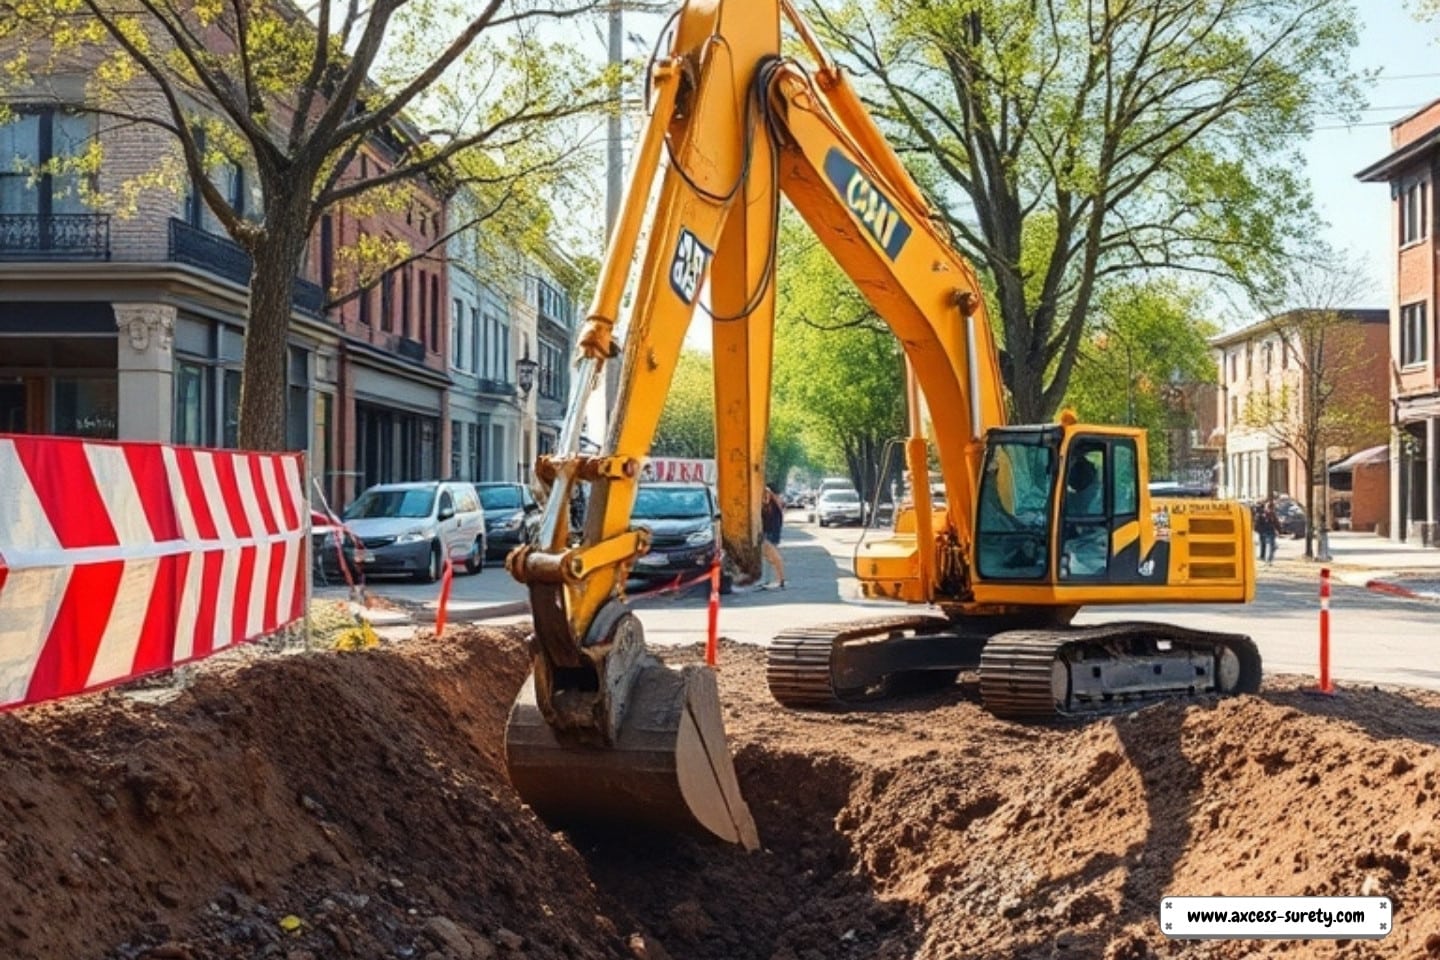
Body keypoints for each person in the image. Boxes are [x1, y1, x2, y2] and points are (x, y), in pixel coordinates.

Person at [761, 484, 787, 588]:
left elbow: (776, 499)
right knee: (769, 558)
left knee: (775, 558)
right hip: (767, 533)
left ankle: (781, 580)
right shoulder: (766, 505)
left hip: (772, 534)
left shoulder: (777, 505)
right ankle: (770, 580)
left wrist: (768, 490)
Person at [1255, 493, 1279, 565]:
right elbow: (1257, 524)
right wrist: (1259, 531)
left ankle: (1268, 559)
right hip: (1264, 532)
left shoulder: (1272, 514)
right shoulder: (1261, 515)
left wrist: (1280, 530)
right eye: (1269, 508)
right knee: (1265, 545)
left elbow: (1276, 523)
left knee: (1272, 546)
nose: (1270, 510)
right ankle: (1265, 558)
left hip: (1270, 532)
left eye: (1271, 508)